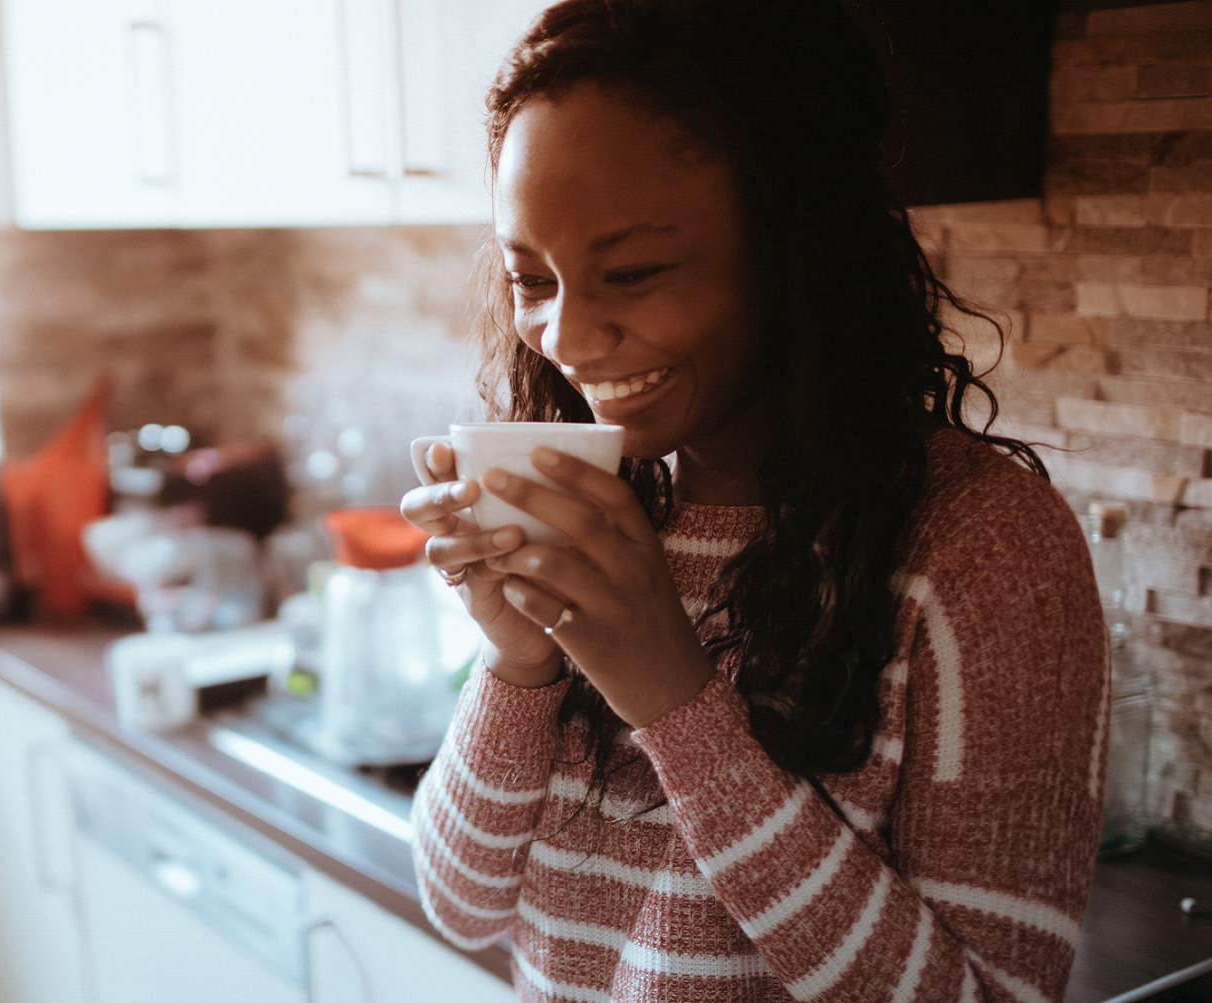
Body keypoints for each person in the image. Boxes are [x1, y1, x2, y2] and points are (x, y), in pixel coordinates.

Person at [400, 2, 1109, 1001]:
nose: (562, 337)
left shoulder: (984, 548)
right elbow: (461, 902)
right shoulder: (605, 508)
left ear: (794, 247)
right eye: (531, 278)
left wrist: (674, 700)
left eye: (633, 272)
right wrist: (519, 660)